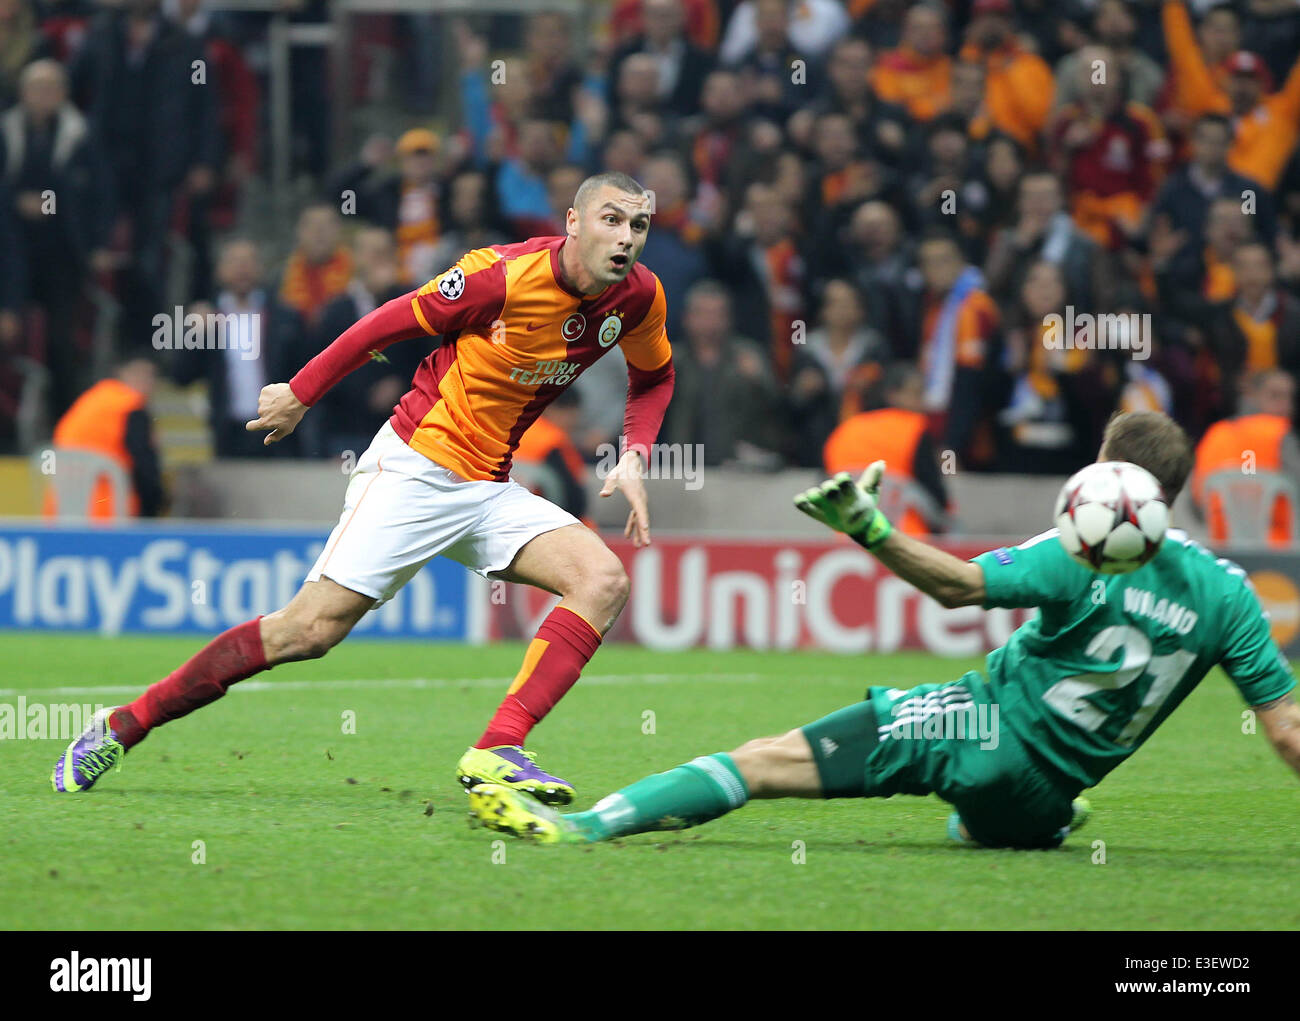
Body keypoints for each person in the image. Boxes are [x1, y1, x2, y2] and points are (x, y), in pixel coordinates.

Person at [52, 172, 676, 808]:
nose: (625, 237)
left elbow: (654, 378)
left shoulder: (638, 297)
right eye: (610, 220)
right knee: (308, 632)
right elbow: (386, 323)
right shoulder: (501, 276)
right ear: (572, 222)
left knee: (602, 581)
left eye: (638, 226)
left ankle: (498, 750)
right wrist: (301, 392)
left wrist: (635, 454)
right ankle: (124, 725)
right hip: (415, 469)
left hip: (490, 486)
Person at [468, 411, 1300, 850]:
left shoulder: (1075, 552)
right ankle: (1027, 816)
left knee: (761, 760)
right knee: (998, 817)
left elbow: (957, 586)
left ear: (1104, 471)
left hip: (976, 728)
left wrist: (868, 529)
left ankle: (584, 827)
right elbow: (1288, 732)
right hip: (1047, 798)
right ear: (1178, 491)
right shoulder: (1227, 596)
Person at [44, 356, 164, 520]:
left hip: (62, 512)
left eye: (150, 376)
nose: (146, 382)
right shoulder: (131, 408)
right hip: (111, 513)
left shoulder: (91, 399)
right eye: (139, 374)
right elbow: (145, 469)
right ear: (121, 373)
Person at [1192, 368, 1300, 547]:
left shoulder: (1216, 433)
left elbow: (1195, 498)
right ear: (1252, 396)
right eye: (1275, 396)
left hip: (1216, 543)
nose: (1285, 406)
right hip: (1278, 546)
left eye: (1289, 397)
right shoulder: (1281, 434)